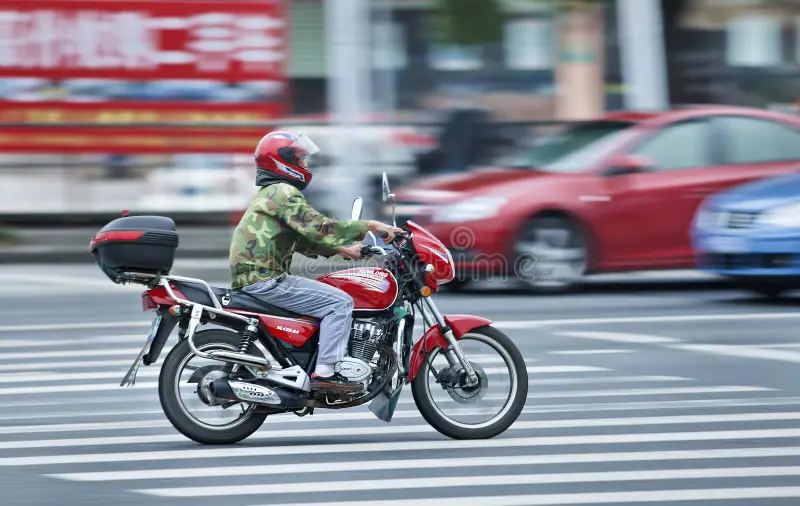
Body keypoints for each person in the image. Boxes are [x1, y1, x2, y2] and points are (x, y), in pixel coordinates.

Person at [229, 131, 402, 394]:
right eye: (301, 159)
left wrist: (344, 250)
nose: (306, 165)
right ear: (281, 162)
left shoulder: (271, 193)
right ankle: (326, 372)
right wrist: (370, 226)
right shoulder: (283, 192)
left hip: (256, 276)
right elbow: (318, 227)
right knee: (340, 302)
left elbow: (303, 239)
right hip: (265, 278)